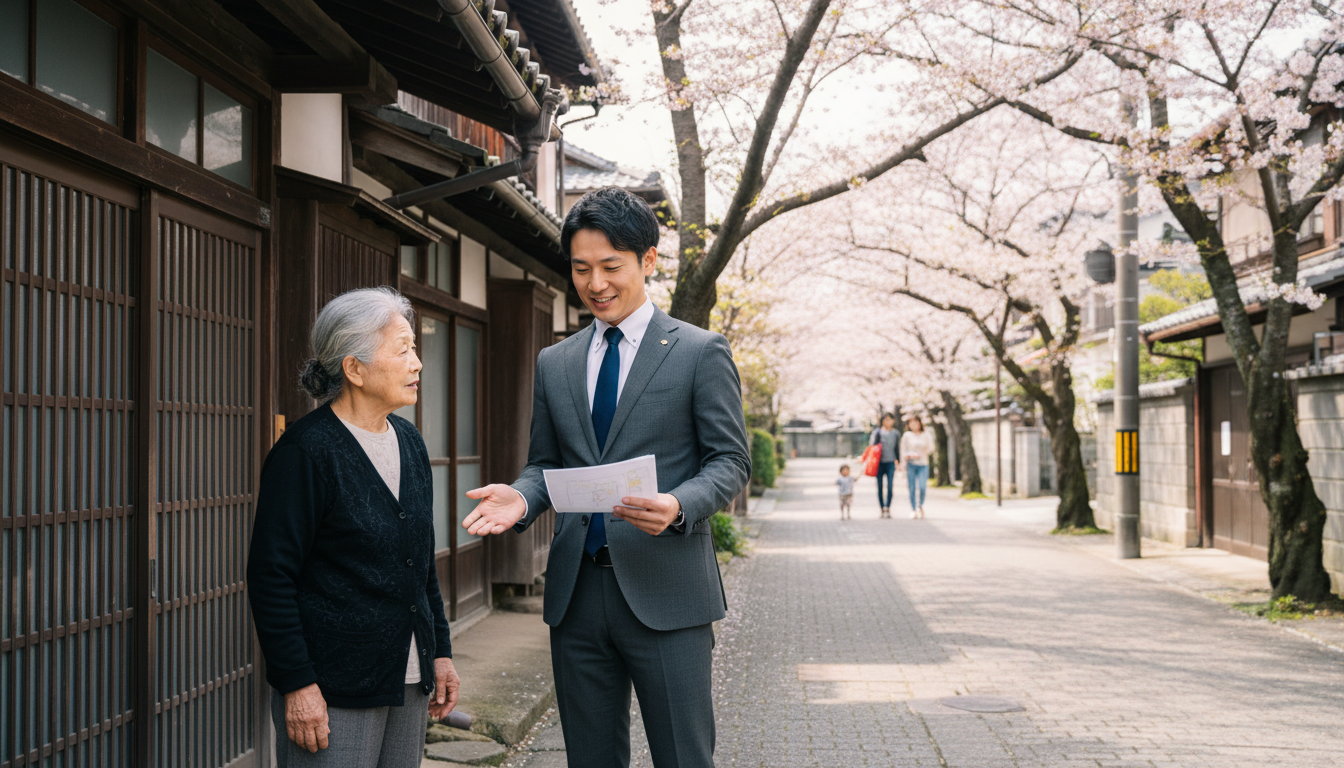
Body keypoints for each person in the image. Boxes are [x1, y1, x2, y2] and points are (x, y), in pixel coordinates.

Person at [460, 187, 750, 768]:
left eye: (611, 267)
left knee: (683, 757)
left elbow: (731, 461)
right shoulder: (556, 361)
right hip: (577, 594)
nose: (596, 284)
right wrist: (521, 496)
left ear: (647, 260)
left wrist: (679, 504)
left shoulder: (699, 352)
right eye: (581, 269)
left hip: (668, 588)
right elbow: (546, 463)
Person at [247, 287, 459, 767]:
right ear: (354, 368)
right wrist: (298, 684)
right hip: (331, 688)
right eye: (403, 348)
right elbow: (270, 578)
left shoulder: (410, 442)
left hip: (407, 677)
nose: (418, 362)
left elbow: (420, 564)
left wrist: (439, 653)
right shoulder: (306, 452)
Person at [901, 415, 935, 519]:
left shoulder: (926, 434)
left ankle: (920, 505)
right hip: (911, 464)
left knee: (922, 486)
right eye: (911, 423)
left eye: (916, 422)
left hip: (923, 463)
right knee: (911, 487)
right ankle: (913, 509)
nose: (914, 425)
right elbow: (903, 450)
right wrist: (904, 461)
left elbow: (932, 448)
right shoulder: (907, 435)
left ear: (920, 423)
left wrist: (925, 450)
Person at [870, 413, 901, 519]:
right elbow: (872, 447)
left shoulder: (896, 433)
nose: (888, 422)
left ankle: (888, 507)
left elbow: (897, 447)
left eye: (890, 419)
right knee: (879, 486)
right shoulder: (877, 432)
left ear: (893, 421)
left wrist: (898, 461)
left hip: (890, 462)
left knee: (890, 486)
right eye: (885, 420)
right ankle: (881, 508)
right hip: (879, 463)